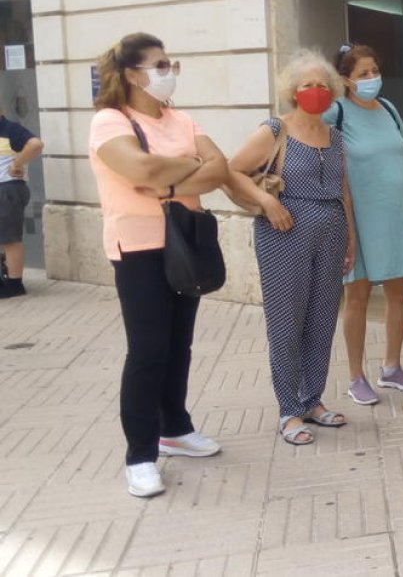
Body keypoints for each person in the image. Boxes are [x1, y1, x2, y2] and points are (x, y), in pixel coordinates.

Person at [87, 33, 228, 497]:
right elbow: (139, 170)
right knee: (147, 351)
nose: (170, 71)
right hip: (138, 246)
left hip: (183, 240)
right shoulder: (109, 122)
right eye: (161, 64)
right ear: (131, 74)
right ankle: (141, 454)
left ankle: (176, 428)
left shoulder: (182, 118)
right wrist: (187, 164)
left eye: (172, 63)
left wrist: (167, 179)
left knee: (179, 345)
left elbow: (220, 167)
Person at [227, 49, 355, 446]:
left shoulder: (333, 136)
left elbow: (343, 188)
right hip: (284, 231)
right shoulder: (275, 130)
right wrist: (267, 202)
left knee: (321, 318)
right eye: (307, 85)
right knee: (286, 321)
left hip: (330, 229)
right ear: (292, 91)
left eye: (322, 85)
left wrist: (350, 234)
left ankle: (312, 399)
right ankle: (288, 409)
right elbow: (231, 170)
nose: (315, 91)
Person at [325, 44, 403, 405]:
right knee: (358, 295)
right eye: (363, 73)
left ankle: (392, 367)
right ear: (346, 79)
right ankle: (355, 376)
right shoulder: (335, 113)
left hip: (398, 216)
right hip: (359, 220)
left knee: (400, 292)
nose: (372, 79)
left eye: (375, 71)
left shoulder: (389, 109)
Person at [0, 108, 43, 299]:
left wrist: (17, 164)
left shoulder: (10, 129)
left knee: (9, 238)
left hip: (7, 189)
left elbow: (35, 144)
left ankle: (14, 284)